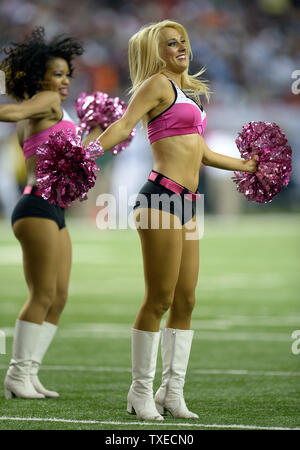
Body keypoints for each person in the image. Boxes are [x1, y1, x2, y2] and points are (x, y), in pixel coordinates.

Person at [95, 19, 258, 421]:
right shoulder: (157, 85)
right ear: (157, 52)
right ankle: (139, 393)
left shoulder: (191, 93)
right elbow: (124, 126)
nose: (181, 47)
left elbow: (200, 151)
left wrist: (248, 166)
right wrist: (86, 154)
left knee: (186, 299)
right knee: (159, 299)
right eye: (171, 43)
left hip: (189, 203)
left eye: (183, 41)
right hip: (161, 198)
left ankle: (172, 391)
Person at [0, 27, 89, 399]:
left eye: (67, 74)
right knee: (42, 294)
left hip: (53, 208)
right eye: (57, 74)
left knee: (59, 295)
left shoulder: (54, 109)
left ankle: (30, 373)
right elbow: (12, 110)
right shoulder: (46, 101)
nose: (64, 80)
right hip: (36, 205)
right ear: (40, 77)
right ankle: (17, 376)